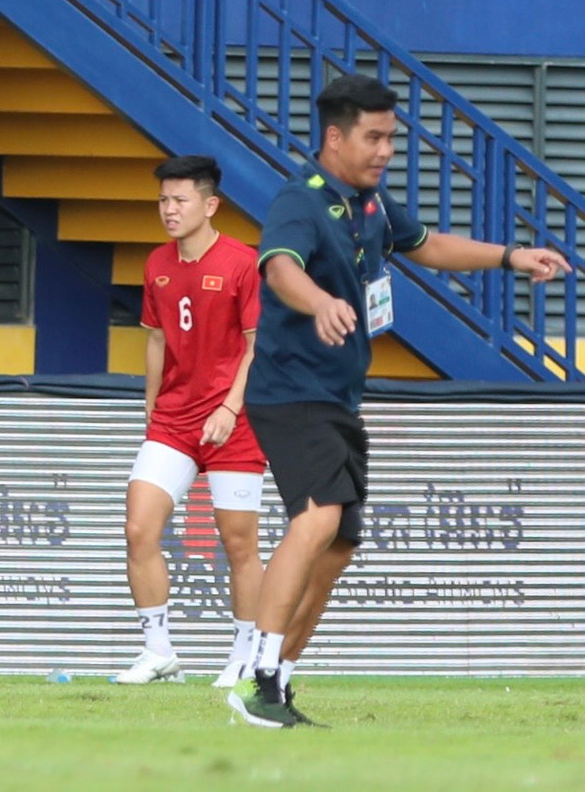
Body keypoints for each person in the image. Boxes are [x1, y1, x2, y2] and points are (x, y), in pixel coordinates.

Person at [227, 74, 570, 728]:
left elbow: (429, 245)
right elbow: (279, 267)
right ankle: (255, 675)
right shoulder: (300, 202)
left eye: (392, 137)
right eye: (374, 136)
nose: (386, 149)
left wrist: (510, 255)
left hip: (337, 396)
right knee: (319, 517)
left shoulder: (372, 205)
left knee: (337, 546)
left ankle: (279, 684)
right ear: (335, 136)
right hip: (290, 391)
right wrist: (321, 300)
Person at [112, 156, 265, 689]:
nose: (169, 210)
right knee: (138, 527)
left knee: (239, 545)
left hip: (234, 422)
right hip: (173, 421)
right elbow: (155, 337)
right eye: (162, 200)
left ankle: (246, 654)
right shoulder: (156, 262)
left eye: (179, 200)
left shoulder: (244, 263)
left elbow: (256, 347)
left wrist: (230, 408)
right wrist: (151, 405)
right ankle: (158, 651)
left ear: (210, 204)